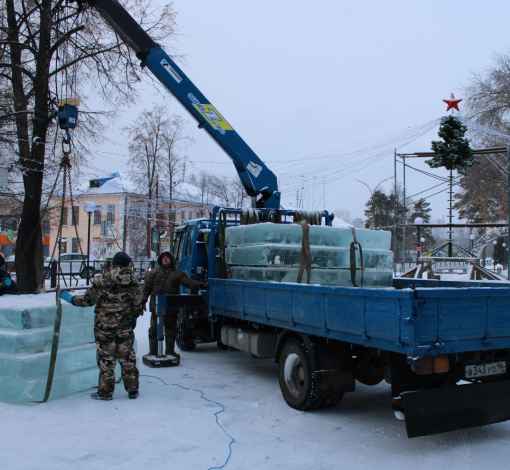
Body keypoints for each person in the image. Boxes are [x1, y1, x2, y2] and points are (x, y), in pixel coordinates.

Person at [59, 252, 142, 401]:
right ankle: (133, 389)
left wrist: (72, 299)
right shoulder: (134, 281)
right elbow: (137, 304)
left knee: (106, 360)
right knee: (128, 358)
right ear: (128, 264)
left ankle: (106, 392)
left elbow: (88, 300)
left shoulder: (102, 279)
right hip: (125, 327)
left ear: (113, 263)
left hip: (104, 328)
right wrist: (134, 317)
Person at [142, 251, 206, 359]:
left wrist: (200, 285)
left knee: (171, 329)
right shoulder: (154, 273)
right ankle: (153, 351)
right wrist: (142, 302)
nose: (165, 259)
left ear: (171, 260)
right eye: (163, 257)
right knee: (154, 329)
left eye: (167, 257)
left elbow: (188, 282)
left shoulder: (177, 274)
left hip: (171, 308)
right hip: (156, 308)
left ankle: (170, 352)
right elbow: (146, 289)